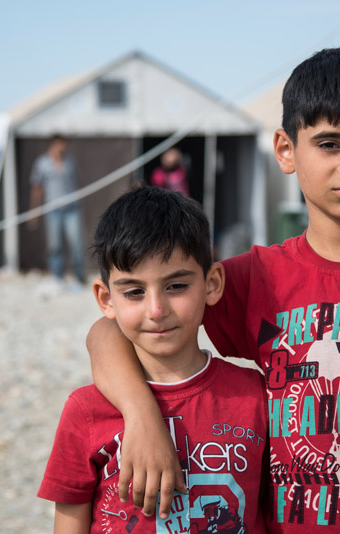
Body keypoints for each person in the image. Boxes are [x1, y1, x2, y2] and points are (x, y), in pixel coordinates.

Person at [87, 47, 340, 532]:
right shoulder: (251, 278)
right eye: (329, 143)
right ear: (286, 149)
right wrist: (141, 416)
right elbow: (109, 330)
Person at [38, 186, 268, 533]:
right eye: (134, 292)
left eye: (176, 286)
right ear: (106, 299)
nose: (156, 310)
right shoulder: (86, 411)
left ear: (212, 284)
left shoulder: (255, 397)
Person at [29, 134, 86, 286]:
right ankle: (58, 277)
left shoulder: (70, 161)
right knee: (54, 245)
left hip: (72, 208)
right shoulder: (42, 163)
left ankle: (79, 276)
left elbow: (76, 181)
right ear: (53, 145)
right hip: (53, 209)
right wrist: (34, 211)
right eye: (61, 144)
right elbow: (37, 188)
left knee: (76, 243)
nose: (63, 148)